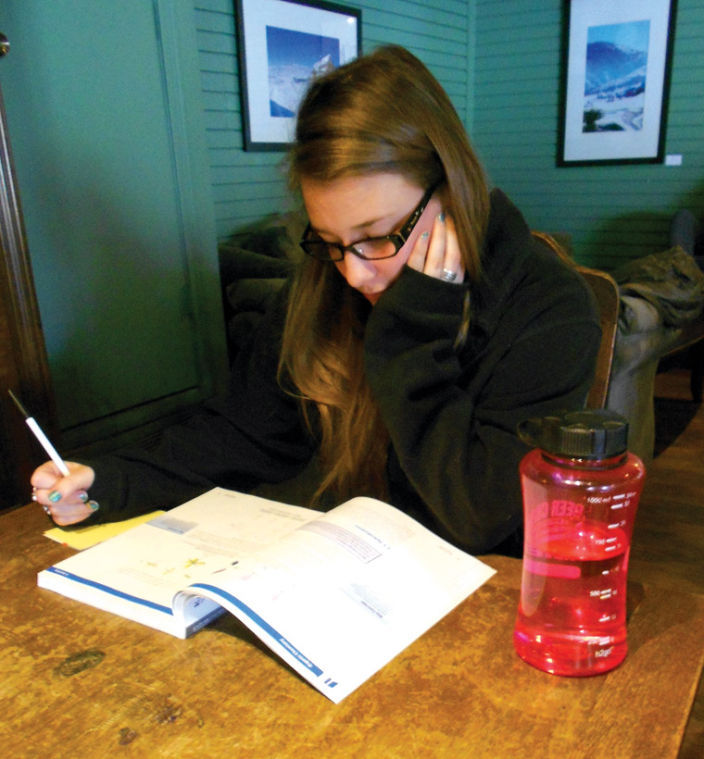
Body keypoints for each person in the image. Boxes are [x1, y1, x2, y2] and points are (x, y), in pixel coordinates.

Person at [30, 45, 600, 556]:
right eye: (330, 242)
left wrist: (410, 336)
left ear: (451, 190)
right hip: (357, 572)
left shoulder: (549, 306)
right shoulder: (327, 283)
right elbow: (244, 435)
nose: (353, 273)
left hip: (495, 600)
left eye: (378, 236)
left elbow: (478, 516)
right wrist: (108, 481)